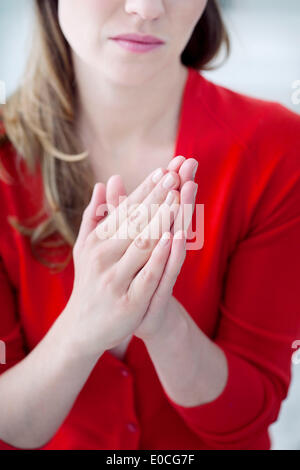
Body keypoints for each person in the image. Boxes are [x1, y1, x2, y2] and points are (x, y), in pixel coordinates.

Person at [0, 0, 299, 450]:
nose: (146, 8)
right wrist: (82, 327)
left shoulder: (278, 150)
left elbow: (247, 413)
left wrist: (163, 324)